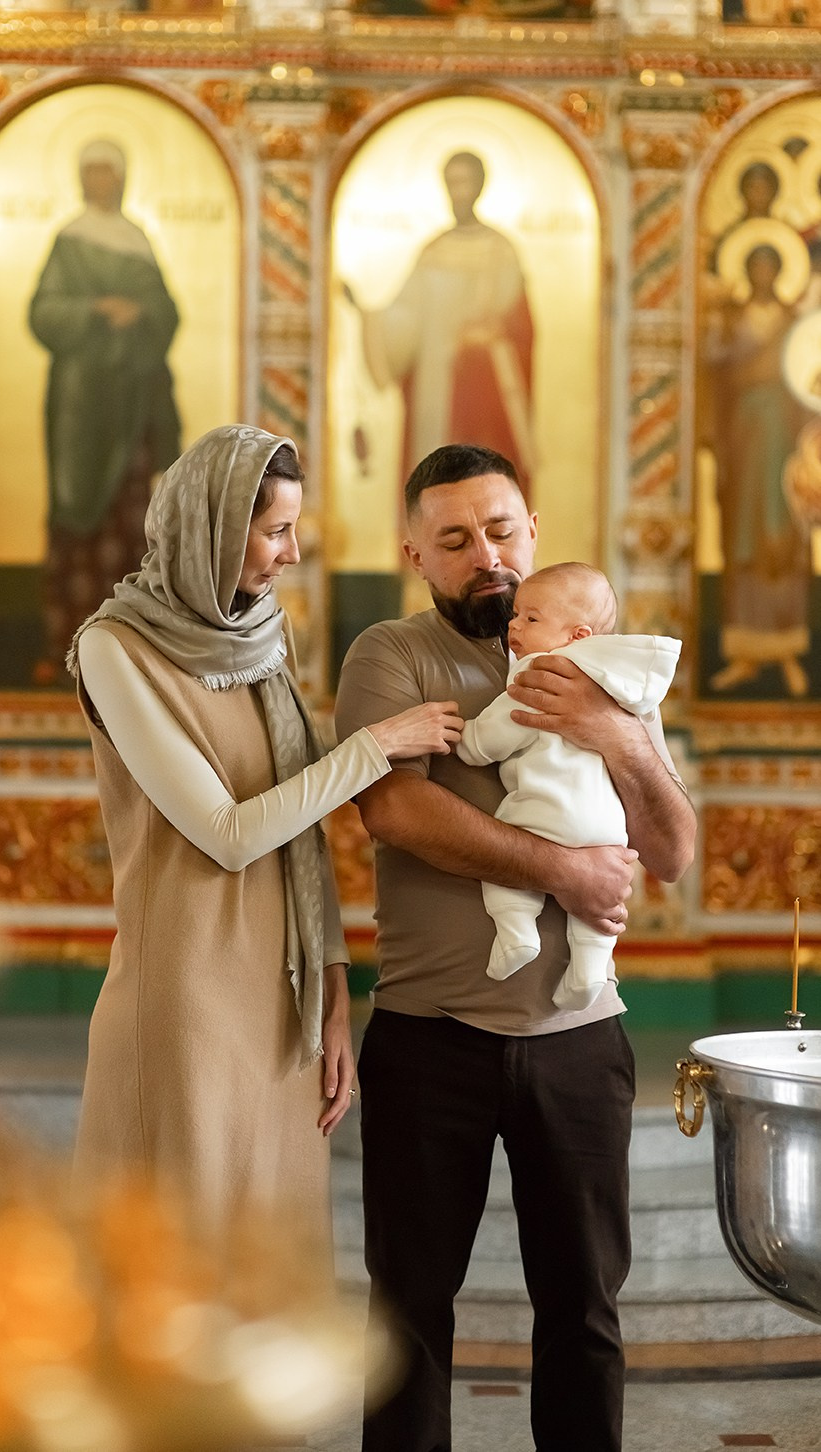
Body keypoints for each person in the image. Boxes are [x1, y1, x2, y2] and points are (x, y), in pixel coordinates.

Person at [334, 443, 696, 1452]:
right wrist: (563, 869)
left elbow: (672, 849)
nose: (486, 555)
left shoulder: (603, 663)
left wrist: (618, 736)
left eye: (500, 531)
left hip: (580, 1041)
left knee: (584, 1311)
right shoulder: (389, 655)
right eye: (454, 540)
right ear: (415, 554)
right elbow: (395, 811)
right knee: (406, 1318)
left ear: (532, 529)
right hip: (429, 1036)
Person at [67, 424, 463, 1248]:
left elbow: (301, 844)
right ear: (214, 529)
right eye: (276, 531)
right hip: (189, 995)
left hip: (284, 999)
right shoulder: (114, 648)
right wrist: (376, 746)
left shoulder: (258, 635)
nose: (292, 553)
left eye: (294, 529)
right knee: (186, 1264)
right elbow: (229, 833)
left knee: (273, 1266)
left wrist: (332, 1000)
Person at [457, 561, 681, 1010]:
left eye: (531, 618)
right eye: (516, 615)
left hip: (547, 811)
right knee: (598, 907)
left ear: (577, 637)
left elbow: (496, 734)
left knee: (504, 867)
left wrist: (468, 742)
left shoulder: (541, 675)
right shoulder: (621, 683)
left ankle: (517, 932)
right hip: (608, 829)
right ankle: (589, 971)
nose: (514, 625)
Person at [29, 138, 183, 684]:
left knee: (132, 521)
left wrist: (139, 310)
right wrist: (96, 309)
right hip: (79, 410)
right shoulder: (68, 241)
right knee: (76, 517)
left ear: (121, 178)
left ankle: (128, 654)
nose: (100, 181)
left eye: (107, 172)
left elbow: (168, 314)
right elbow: (43, 313)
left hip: (135, 404)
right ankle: (66, 649)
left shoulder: (137, 241)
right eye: (91, 172)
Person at [347, 151, 535, 495]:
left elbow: (521, 327)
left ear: (480, 187)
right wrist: (366, 314)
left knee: (486, 481)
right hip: (434, 386)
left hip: (485, 388)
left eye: (465, 183)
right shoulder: (433, 252)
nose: (458, 192)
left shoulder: (501, 251)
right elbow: (406, 317)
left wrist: (486, 335)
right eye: (452, 183)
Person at [703, 242, 810, 696]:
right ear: (747, 271)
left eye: (770, 265)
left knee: (783, 540)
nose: (763, 273)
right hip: (744, 441)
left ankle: (788, 651)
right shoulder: (731, 319)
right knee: (743, 541)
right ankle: (744, 656)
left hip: (785, 439)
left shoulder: (795, 321)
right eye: (756, 265)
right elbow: (713, 372)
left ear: (780, 271)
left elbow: (808, 376)